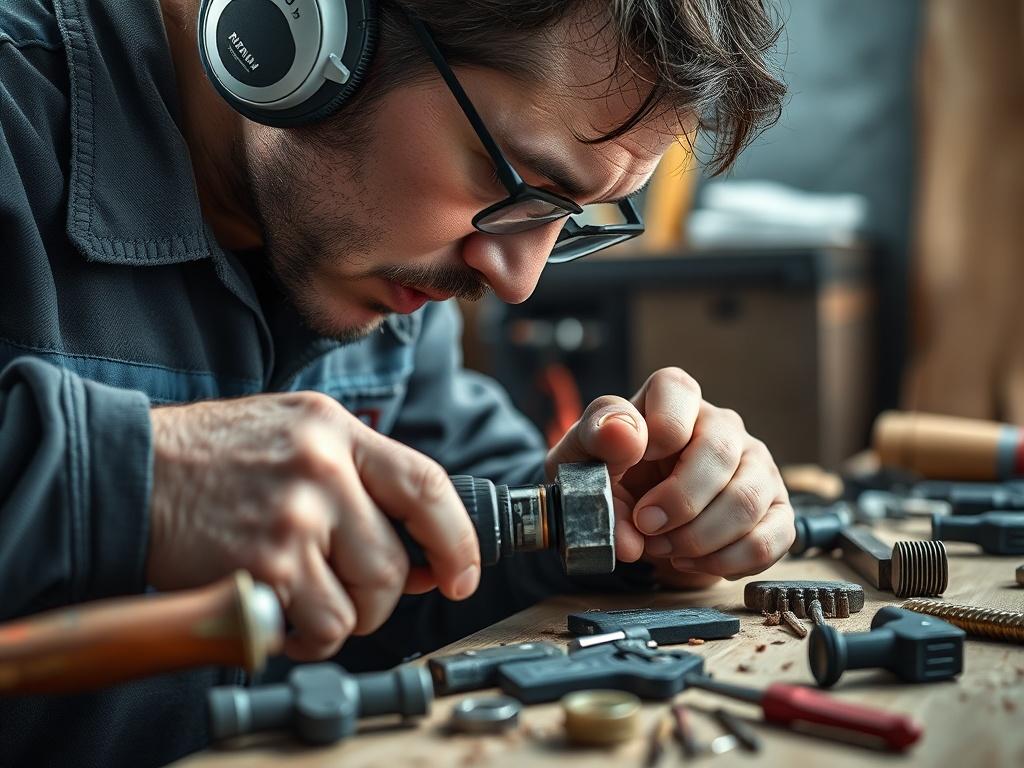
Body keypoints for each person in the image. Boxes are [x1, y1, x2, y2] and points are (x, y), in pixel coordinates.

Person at [0, 0, 791, 764]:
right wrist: (133, 483)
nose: (518, 279)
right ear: (299, 29)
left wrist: (622, 530)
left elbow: (441, 570)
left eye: (573, 217)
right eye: (509, 181)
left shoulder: (385, 276)